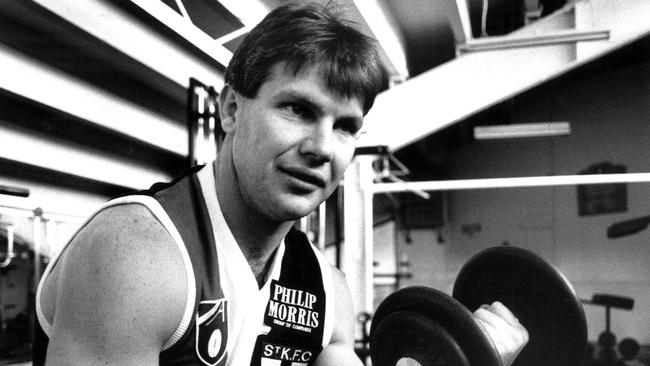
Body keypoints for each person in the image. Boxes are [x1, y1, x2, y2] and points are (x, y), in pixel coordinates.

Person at [32, 2, 528, 365]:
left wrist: (464, 355)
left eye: (345, 127)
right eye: (298, 109)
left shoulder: (323, 288)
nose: (322, 147)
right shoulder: (138, 254)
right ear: (230, 109)